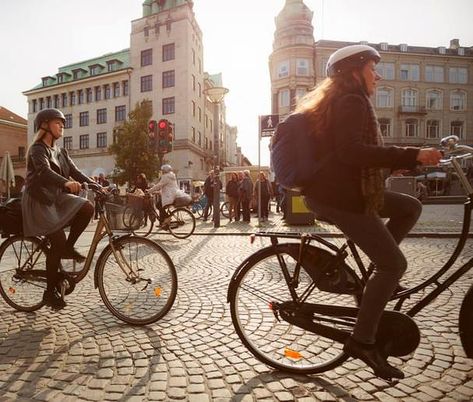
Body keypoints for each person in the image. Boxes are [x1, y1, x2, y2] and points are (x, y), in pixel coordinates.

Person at [297, 45, 442, 380]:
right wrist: (412, 155)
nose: (378, 75)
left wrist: (397, 163)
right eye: (372, 68)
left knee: (409, 206)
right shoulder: (351, 101)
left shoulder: (346, 100)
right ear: (354, 71)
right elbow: (350, 153)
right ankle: (362, 341)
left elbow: (351, 157)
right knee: (395, 264)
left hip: (348, 190)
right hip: (340, 197)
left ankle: (377, 280)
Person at [22, 108, 95, 310]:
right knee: (57, 240)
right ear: (44, 125)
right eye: (57, 123)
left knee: (87, 207)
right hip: (38, 199)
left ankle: (67, 248)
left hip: (55, 198)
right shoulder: (37, 149)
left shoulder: (61, 151)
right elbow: (44, 172)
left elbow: (76, 171)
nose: (62, 126)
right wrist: (65, 183)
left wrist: (96, 185)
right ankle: (49, 293)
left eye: (63, 123)